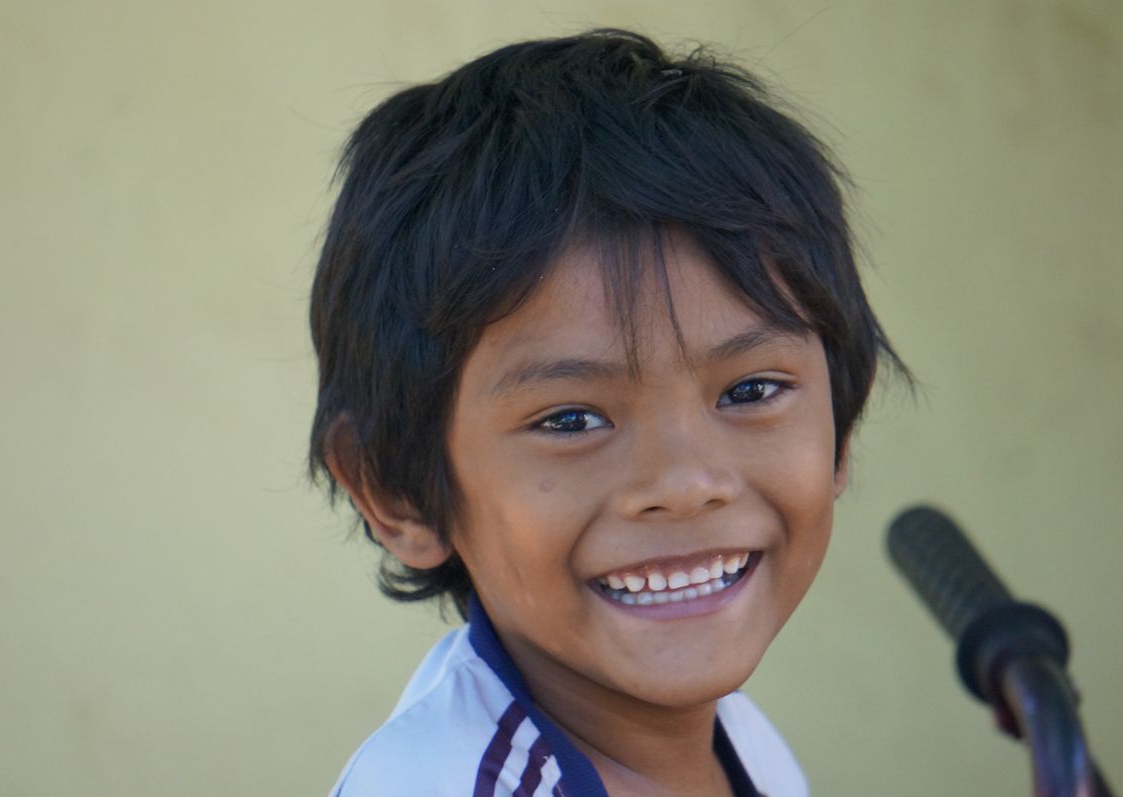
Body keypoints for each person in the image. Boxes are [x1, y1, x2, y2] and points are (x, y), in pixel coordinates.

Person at [309, 29, 906, 797]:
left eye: (749, 391)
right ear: (396, 488)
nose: (686, 483)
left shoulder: (745, 743)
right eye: (570, 419)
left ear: (840, 432)